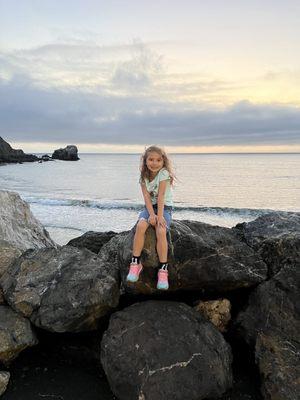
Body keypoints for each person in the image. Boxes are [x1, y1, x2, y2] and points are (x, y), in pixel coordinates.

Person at [126, 145, 175, 290]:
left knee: (160, 230)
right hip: (149, 208)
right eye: (151, 159)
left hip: (164, 207)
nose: (154, 163)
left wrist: (159, 217)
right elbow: (146, 198)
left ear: (163, 161)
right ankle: (135, 264)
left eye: (158, 160)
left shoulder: (164, 174)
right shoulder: (143, 176)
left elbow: (160, 197)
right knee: (141, 226)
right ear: (145, 161)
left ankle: (163, 270)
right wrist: (151, 214)